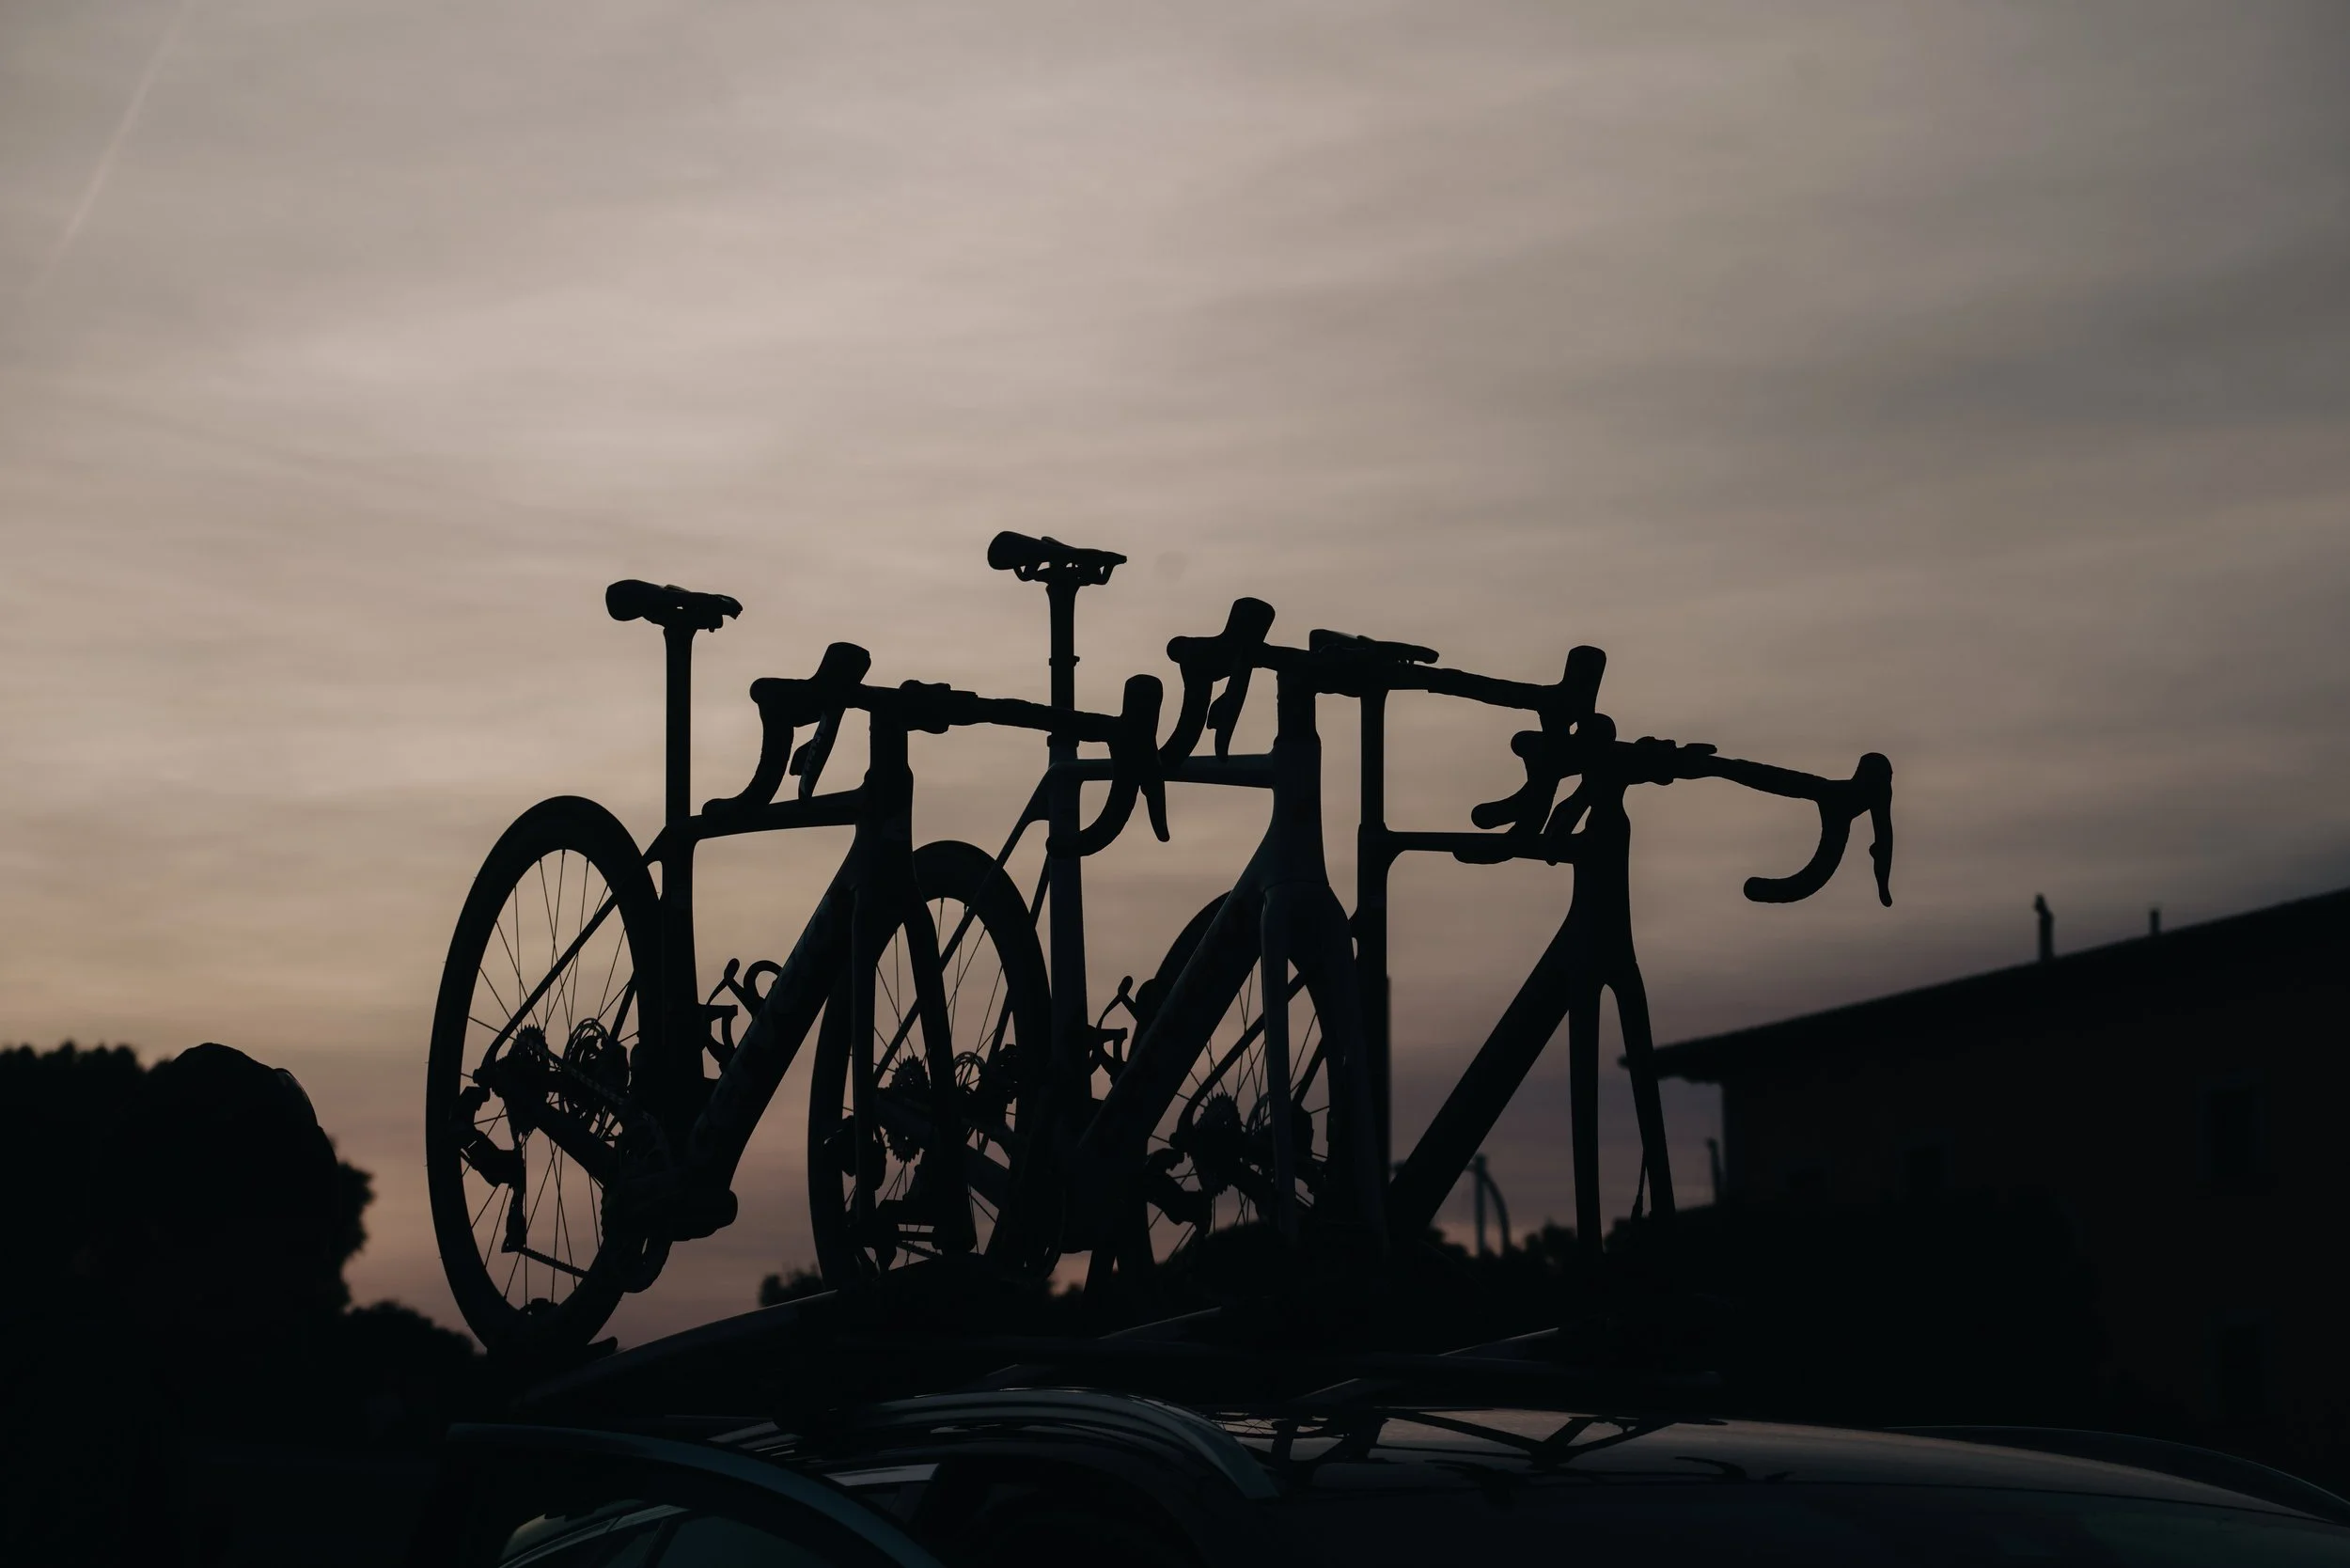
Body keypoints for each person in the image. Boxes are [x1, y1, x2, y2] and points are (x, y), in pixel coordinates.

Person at [1, 1043, 343, 1565]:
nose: (302, 1283)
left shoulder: (91, 1373)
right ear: (174, 1225)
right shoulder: (83, 1411)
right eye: (276, 1241)